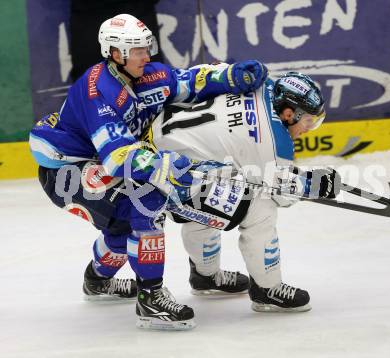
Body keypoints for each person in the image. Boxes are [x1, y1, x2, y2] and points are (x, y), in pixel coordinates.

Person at [29, 14, 268, 330]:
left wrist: (231, 78)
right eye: (138, 50)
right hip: (68, 170)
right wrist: (166, 167)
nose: (147, 55)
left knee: (121, 230)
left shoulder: (148, 75)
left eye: (146, 47)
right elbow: (118, 157)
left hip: (96, 162)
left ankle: (97, 281)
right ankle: (151, 300)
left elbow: (188, 83)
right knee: (147, 202)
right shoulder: (97, 90)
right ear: (115, 53)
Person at [147, 69, 340, 312]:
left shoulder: (262, 85)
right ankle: (267, 289)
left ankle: (205, 275)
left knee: (217, 191)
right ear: (289, 113)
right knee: (260, 206)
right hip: (162, 175)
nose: (308, 128)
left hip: (153, 144)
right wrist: (317, 184)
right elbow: (281, 193)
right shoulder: (272, 141)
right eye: (308, 122)